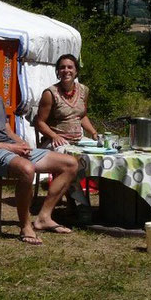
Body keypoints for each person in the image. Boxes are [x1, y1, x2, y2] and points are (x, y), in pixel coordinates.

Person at [0, 46, 79, 245]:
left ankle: (44, 217)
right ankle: (25, 226)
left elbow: (5, 128)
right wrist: (10, 148)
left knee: (70, 164)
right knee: (26, 168)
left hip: (9, 149)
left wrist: (19, 142)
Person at [34, 53, 99, 224]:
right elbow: (39, 122)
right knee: (69, 160)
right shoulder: (50, 93)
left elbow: (82, 116)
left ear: (76, 71)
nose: (66, 70)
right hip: (56, 140)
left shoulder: (84, 90)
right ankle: (80, 204)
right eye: (62, 67)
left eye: (70, 67)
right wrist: (54, 135)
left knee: (101, 154)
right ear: (57, 71)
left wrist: (93, 133)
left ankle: (99, 204)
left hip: (78, 139)